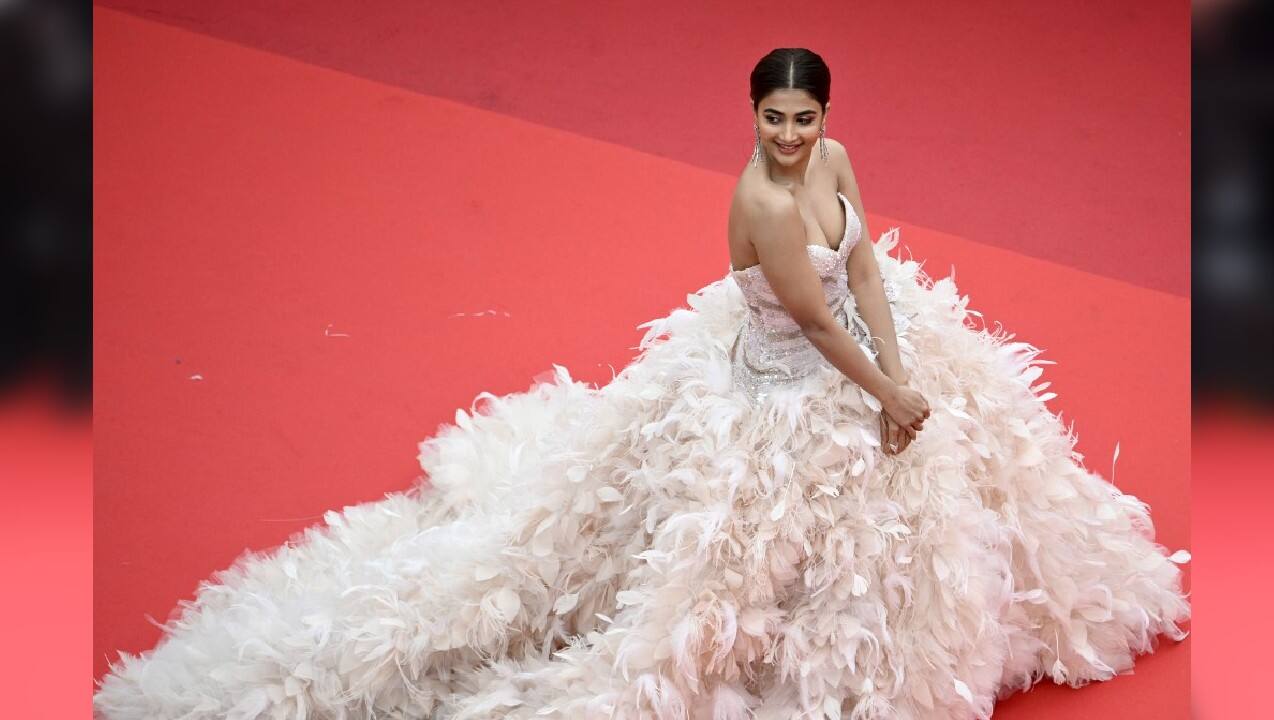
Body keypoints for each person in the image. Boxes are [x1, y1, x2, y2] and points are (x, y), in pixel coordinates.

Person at [93, 48, 1190, 720]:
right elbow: (809, 316)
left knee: (938, 494)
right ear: (751, 119)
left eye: (806, 119)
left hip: (865, 353)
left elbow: (859, 263)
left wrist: (904, 373)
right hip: (780, 387)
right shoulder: (758, 207)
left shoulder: (837, 161)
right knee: (725, 562)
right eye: (774, 120)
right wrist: (880, 396)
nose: (793, 137)